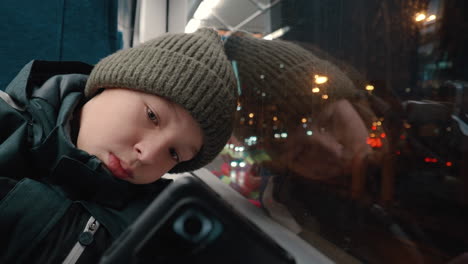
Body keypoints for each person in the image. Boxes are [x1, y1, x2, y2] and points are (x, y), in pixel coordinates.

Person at [0, 28, 237, 263]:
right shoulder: (7, 126)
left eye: (174, 153)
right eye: (152, 116)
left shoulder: (156, 227)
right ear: (110, 82)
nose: (148, 154)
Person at [223, 32, 430, 264]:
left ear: (353, 100)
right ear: (283, 168)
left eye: (331, 121)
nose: (333, 151)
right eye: (301, 152)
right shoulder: (299, 220)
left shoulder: (430, 139)